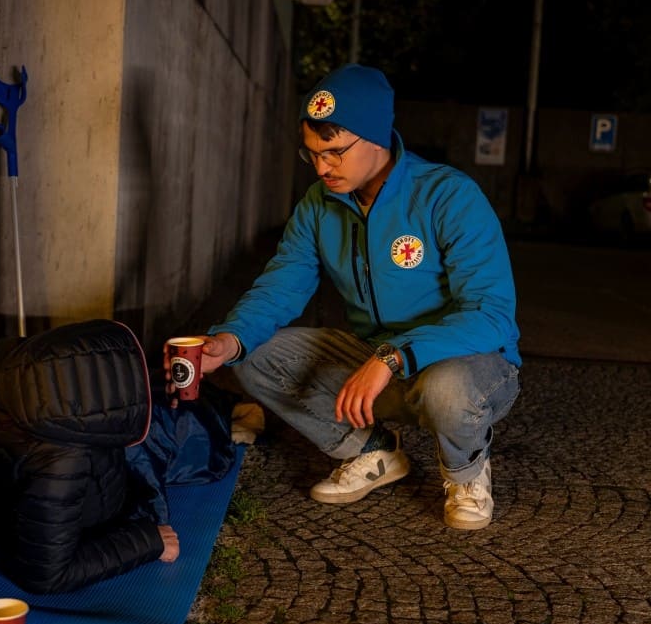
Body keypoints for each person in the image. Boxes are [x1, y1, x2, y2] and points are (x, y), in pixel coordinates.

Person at [167, 63, 520, 530]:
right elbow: (282, 284)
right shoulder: (319, 204)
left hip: (467, 362)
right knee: (254, 357)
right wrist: (229, 341)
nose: (321, 167)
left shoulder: (448, 197)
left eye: (333, 152)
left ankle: (467, 473)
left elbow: (492, 316)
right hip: (377, 357)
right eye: (311, 153)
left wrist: (392, 357)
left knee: (448, 389)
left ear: (375, 138)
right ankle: (373, 452)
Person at [0, 319, 179, 595]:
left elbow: (82, 381)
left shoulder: (8, 360)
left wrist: (148, 385)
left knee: (175, 421)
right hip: (46, 519)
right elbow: (47, 576)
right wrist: (149, 541)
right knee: (181, 438)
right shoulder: (62, 463)